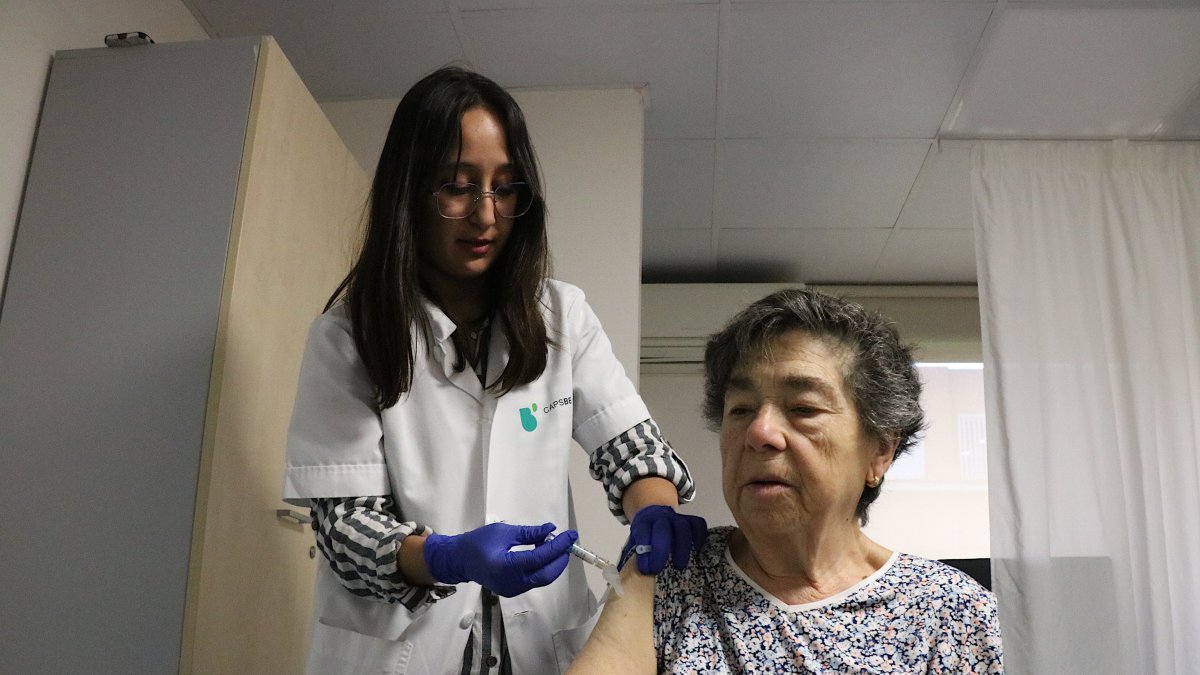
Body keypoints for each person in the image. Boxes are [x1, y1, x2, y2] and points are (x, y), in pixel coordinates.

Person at [282, 66, 705, 674]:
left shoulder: (560, 315)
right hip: (404, 651)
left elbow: (629, 446)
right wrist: (447, 557)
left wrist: (654, 509)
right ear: (409, 191)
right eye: (457, 186)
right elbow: (344, 532)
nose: (486, 216)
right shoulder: (348, 339)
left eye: (505, 188)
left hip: (540, 648)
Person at [568, 288, 1004, 673]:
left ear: (880, 451)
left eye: (803, 409)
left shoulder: (952, 615)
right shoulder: (669, 578)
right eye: (740, 409)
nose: (759, 433)